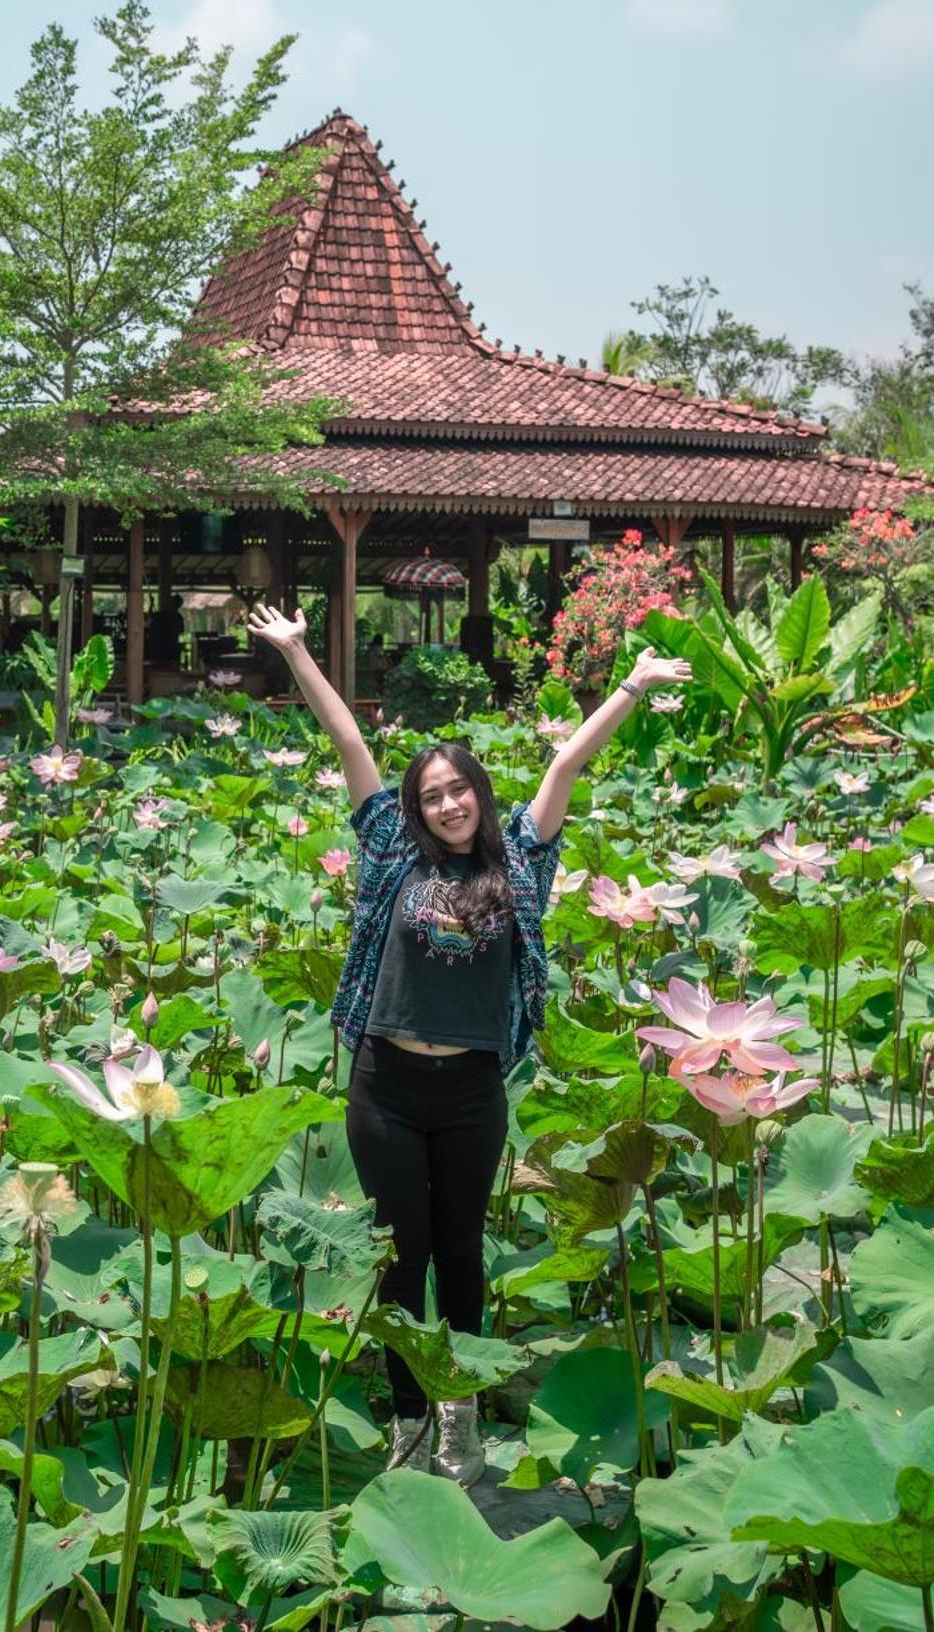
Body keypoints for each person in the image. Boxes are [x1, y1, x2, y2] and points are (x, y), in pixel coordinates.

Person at [247, 600, 691, 1485]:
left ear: (480, 795)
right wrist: (297, 650)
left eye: (458, 790)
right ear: (414, 810)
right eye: (431, 796)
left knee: (460, 1253)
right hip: (385, 1082)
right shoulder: (390, 852)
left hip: (472, 1089)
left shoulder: (522, 857)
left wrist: (633, 687)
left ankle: (461, 1423)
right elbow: (348, 746)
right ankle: (409, 1421)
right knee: (400, 1255)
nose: (446, 804)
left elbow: (566, 761)